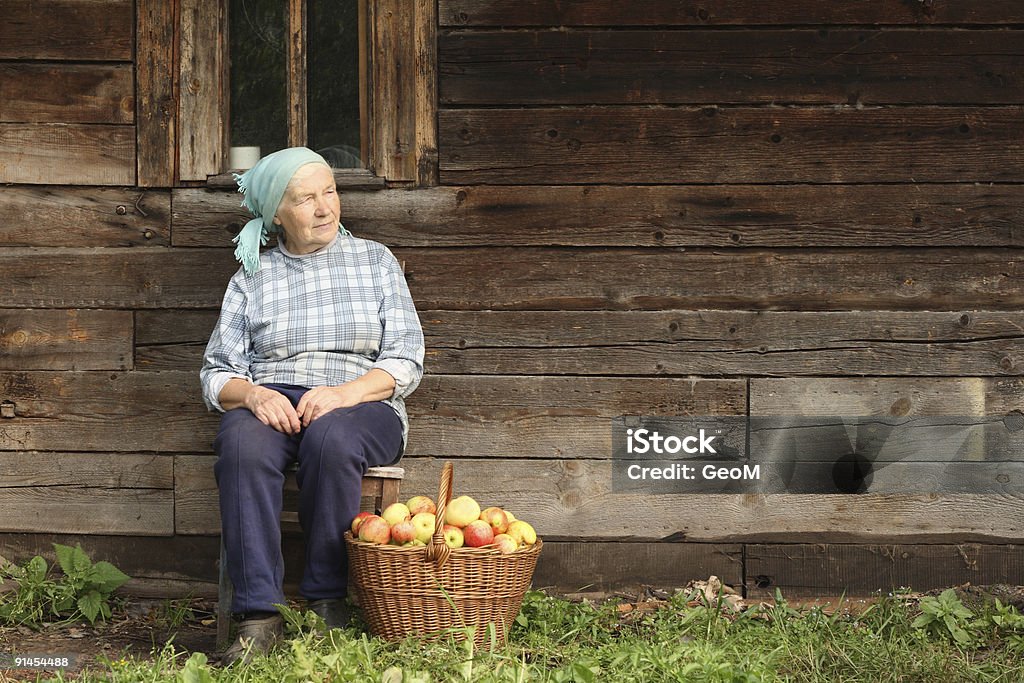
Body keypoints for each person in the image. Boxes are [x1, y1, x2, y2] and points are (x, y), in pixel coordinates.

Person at [199, 147, 424, 665]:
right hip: (274, 399)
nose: (325, 208)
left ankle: (327, 604)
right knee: (240, 444)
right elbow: (216, 373)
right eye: (306, 199)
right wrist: (254, 394)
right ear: (276, 212)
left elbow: (407, 357)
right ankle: (259, 617)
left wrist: (347, 394)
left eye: (330, 192)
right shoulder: (253, 277)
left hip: (363, 403)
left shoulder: (374, 261)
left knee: (332, 437)